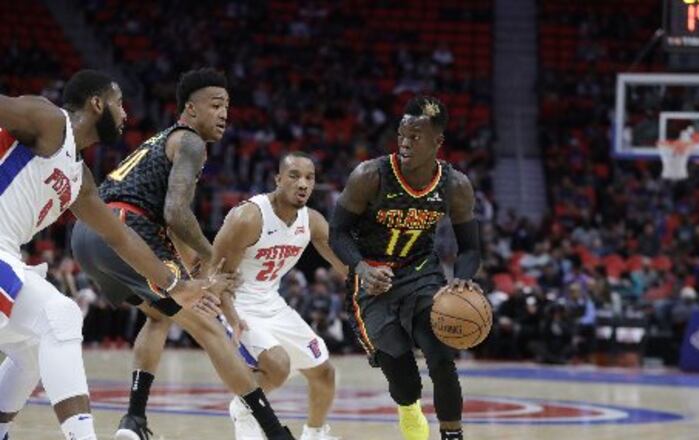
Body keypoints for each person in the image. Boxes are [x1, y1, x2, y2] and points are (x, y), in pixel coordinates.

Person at [0, 70, 226, 440]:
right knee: (60, 316)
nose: (126, 115)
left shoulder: (79, 178)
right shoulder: (48, 119)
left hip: (6, 254)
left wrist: (174, 285)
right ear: (96, 103)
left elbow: (119, 236)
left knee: (32, 351)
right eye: (120, 104)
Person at [70, 69, 294, 440]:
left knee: (159, 316)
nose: (225, 114)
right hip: (125, 229)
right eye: (216, 105)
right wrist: (215, 256)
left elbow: (176, 229)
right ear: (190, 109)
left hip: (87, 236)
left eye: (228, 107)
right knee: (209, 329)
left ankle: (134, 420)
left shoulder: (159, 142)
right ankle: (274, 432)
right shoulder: (190, 142)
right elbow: (177, 213)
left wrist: (205, 273)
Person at [329, 96, 482, 440]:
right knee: (406, 381)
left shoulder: (455, 186)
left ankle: (452, 435)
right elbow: (337, 233)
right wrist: (362, 267)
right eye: (402, 135)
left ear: (437, 142)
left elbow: (470, 248)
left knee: (441, 357)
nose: (405, 143)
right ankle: (408, 407)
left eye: (415, 136)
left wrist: (462, 279)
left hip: (421, 274)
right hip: (370, 283)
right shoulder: (370, 175)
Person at [210, 152, 347, 440]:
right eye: (294, 175)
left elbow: (346, 266)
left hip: (272, 302)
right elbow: (216, 275)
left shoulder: (312, 221)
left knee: (324, 374)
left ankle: (315, 434)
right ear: (278, 179)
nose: (303, 184)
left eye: (310, 178)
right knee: (278, 366)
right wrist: (232, 319)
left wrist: (373, 283)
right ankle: (243, 405)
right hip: (235, 303)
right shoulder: (249, 217)